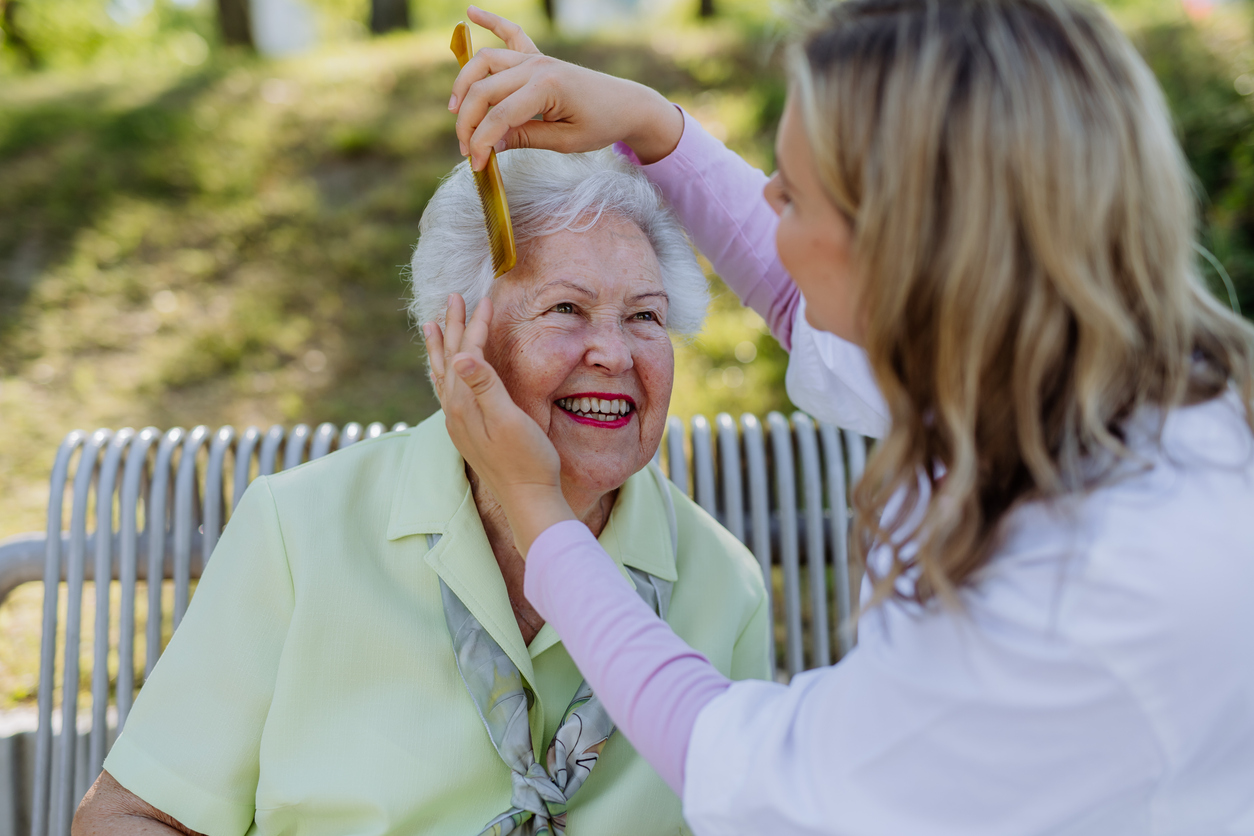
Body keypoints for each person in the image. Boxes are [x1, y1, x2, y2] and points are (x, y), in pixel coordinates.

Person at [427, 2, 1254, 834]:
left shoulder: (1092, 589)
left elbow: (758, 775)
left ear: (910, 247)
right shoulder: (1079, 372)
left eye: (794, 196)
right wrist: (650, 124)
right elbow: (800, 300)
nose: (771, 213)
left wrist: (536, 511)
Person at [72, 148, 772, 836]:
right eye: (566, 309)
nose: (615, 354)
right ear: (456, 335)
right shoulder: (300, 530)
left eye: (645, 317)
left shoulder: (723, 586)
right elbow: (131, 815)